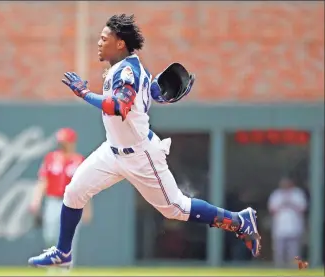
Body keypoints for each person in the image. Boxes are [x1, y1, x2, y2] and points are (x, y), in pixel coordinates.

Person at [28, 14, 261, 268]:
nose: (99, 42)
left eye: (104, 38)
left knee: (176, 208)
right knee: (73, 192)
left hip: (140, 155)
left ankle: (239, 221)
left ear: (119, 43)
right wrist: (154, 92)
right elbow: (148, 93)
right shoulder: (127, 68)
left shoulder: (127, 71)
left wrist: (84, 93)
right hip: (113, 151)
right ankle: (63, 253)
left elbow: (119, 106)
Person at [29, 127, 92, 267]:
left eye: (64, 141)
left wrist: (87, 209)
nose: (61, 144)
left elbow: (84, 187)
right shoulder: (51, 158)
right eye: (60, 141)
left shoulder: (79, 160)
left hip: (72, 203)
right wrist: (36, 201)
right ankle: (53, 261)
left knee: (70, 238)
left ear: (72, 143)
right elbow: (43, 181)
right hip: (53, 201)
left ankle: (66, 269)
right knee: (50, 235)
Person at [268, 177, 307, 268]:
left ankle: (294, 268)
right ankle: (279, 268)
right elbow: (272, 210)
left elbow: (303, 209)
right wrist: (282, 204)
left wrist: (291, 204)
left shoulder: (298, 194)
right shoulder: (276, 194)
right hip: (279, 228)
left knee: (294, 251)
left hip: (294, 227)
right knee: (279, 251)